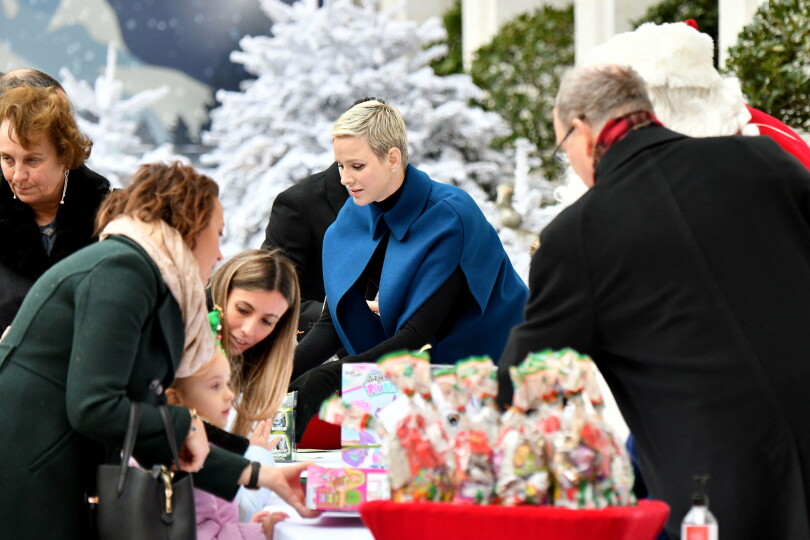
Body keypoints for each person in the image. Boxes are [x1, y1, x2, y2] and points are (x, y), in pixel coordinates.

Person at [496, 64, 810, 540]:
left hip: (720, 496)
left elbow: (522, 379)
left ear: (582, 130)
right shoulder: (764, 159)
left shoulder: (577, 235)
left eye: (564, 149)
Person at [0, 162, 317, 539]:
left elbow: (145, 423)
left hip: (50, 465)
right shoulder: (123, 271)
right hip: (33, 471)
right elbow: (95, 407)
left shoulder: (140, 275)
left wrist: (259, 475)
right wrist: (185, 425)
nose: (219, 255)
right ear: (191, 223)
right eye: (217, 234)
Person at [289, 99, 529, 440]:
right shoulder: (356, 213)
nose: (344, 178)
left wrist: (330, 376)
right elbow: (336, 318)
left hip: (497, 369)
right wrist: (277, 376)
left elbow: (414, 335)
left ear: (392, 158)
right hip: (427, 373)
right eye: (340, 165)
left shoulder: (450, 216)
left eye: (357, 165)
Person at [0, 82, 110, 330]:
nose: (17, 175)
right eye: (7, 159)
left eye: (32, 160)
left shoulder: (112, 220)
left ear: (65, 156)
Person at [167, 351, 290, 539]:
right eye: (215, 386)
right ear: (175, 399)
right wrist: (256, 534)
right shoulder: (193, 458)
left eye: (228, 384)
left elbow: (216, 526)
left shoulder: (172, 446)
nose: (230, 395)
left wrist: (247, 530)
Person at [208, 249, 300, 437]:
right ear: (221, 293)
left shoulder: (263, 374)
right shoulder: (179, 347)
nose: (248, 330)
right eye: (242, 310)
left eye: (267, 322)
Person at [261, 163, 347, 337]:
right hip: (320, 343)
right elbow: (270, 293)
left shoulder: (403, 198)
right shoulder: (297, 203)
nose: (349, 178)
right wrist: (351, 318)